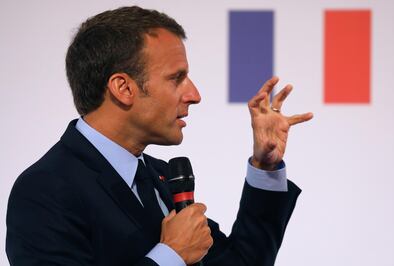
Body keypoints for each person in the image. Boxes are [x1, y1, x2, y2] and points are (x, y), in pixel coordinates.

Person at [6, 6, 313, 266]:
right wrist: (170, 256)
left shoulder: (163, 178)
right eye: (176, 78)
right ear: (123, 88)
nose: (194, 95)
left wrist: (265, 167)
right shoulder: (44, 190)